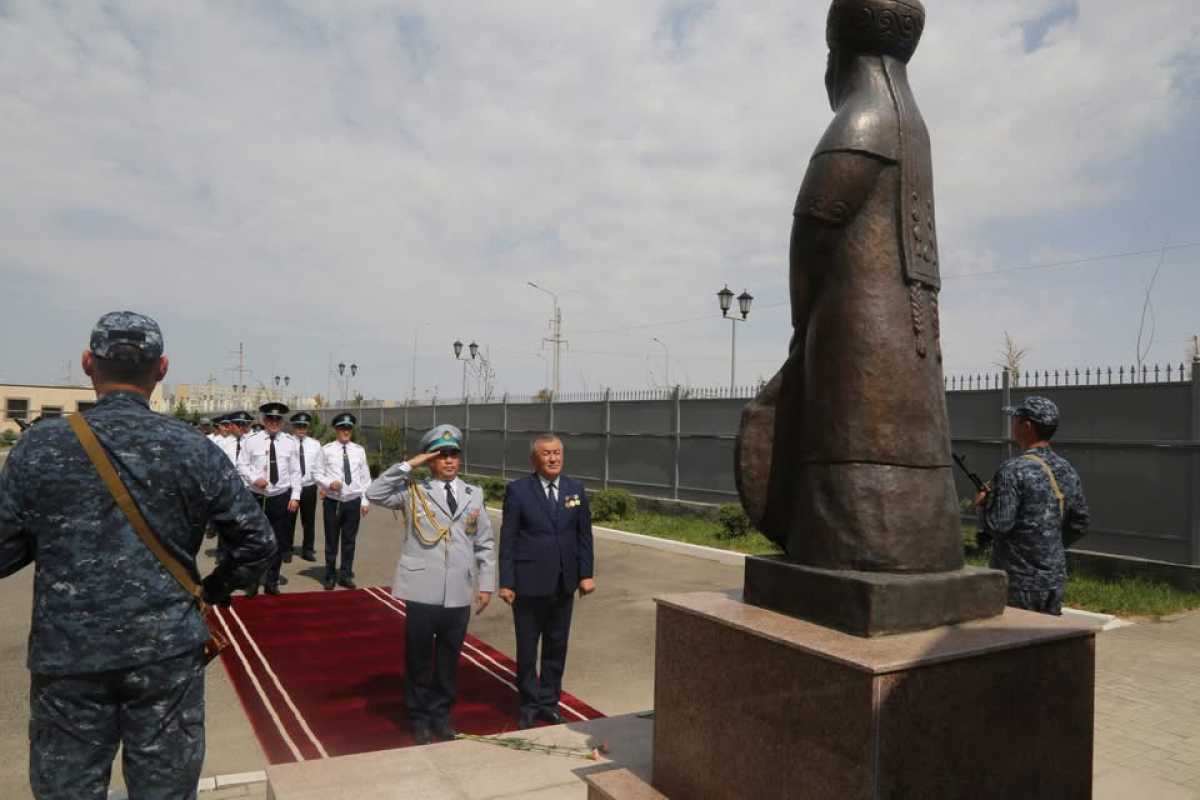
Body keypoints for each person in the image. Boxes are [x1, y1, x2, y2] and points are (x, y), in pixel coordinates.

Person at [0, 311, 276, 800]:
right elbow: (258, 542)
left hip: (69, 658)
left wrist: (54, 538)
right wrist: (214, 588)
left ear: (88, 363)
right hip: (166, 656)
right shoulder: (192, 447)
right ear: (161, 368)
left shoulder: (39, 445)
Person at [367, 424, 496, 745]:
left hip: (458, 590)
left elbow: (484, 542)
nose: (449, 461)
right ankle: (419, 718)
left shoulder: (474, 494)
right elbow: (374, 493)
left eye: (454, 455)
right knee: (420, 659)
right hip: (422, 589)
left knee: (449, 659)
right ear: (430, 459)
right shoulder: (413, 490)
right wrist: (410, 464)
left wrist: (486, 584)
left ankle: (441, 714)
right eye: (441, 455)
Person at [498, 433, 595, 729]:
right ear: (534, 459)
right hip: (528, 584)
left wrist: (586, 574)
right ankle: (529, 704)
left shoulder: (575, 489)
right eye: (546, 453)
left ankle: (549, 703)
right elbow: (508, 539)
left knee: (556, 646)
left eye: (557, 453)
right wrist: (507, 582)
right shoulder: (518, 491)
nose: (553, 458)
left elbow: (584, 535)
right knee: (528, 649)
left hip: (563, 583)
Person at [975, 396, 1090, 616]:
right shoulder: (1067, 469)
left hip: (1018, 582)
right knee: (1049, 635)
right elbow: (1080, 522)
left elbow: (999, 525)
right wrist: (1049, 548)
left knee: (1015, 635)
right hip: (1054, 580)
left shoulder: (1012, 470)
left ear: (1026, 426)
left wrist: (982, 506)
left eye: (1016, 419)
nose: (1013, 424)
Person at [238, 402, 301, 595]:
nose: (274, 422)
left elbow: (296, 471)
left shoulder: (290, 442)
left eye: (277, 419)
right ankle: (252, 581)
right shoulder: (251, 441)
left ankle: (272, 581)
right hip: (257, 496)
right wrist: (254, 479)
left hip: (280, 496)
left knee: (277, 542)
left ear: (282, 422)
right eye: (270, 419)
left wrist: (295, 496)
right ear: (264, 420)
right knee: (254, 540)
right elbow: (242, 465)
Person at [316, 413, 372, 589]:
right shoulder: (326, 450)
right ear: (336, 429)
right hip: (333, 502)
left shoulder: (359, 450)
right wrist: (328, 484)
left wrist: (365, 501)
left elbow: (365, 478)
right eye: (342, 428)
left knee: (349, 541)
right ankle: (330, 575)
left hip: (352, 502)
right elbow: (317, 473)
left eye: (348, 428)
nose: (346, 432)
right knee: (331, 540)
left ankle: (346, 575)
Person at [289, 411, 323, 562]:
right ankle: (286, 549)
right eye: (298, 426)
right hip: (291, 488)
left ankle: (308, 550)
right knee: (289, 520)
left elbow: (320, 467)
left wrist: (322, 486)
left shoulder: (315, 445)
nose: (301, 429)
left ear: (308, 427)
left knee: (308, 520)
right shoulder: (287, 443)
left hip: (309, 487)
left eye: (304, 426)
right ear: (293, 427)